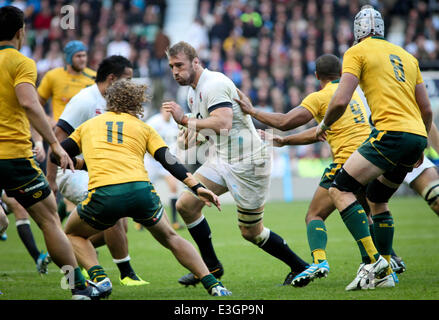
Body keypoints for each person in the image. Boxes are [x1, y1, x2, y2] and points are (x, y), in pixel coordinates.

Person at [50, 79, 232, 297]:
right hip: (141, 192)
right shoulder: (143, 127)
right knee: (171, 237)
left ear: (110, 100)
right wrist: (197, 186)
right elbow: (169, 160)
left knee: (71, 233)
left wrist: (79, 163)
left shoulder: (88, 126)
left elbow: (57, 154)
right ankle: (214, 285)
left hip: (105, 195)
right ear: (137, 103)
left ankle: (99, 278)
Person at [163, 41, 310, 287]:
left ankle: (300, 266)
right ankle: (212, 267)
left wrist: (186, 120)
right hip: (223, 158)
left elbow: (223, 123)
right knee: (186, 205)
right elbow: (208, 130)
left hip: (250, 162)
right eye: (171, 67)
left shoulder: (215, 84)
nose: (175, 71)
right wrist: (189, 135)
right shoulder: (192, 93)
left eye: (179, 65)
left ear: (196, 62)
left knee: (251, 232)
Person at [235, 53, 381, 287]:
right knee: (367, 214)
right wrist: (284, 142)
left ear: (316, 76)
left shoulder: (321, 97)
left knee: (314, 215)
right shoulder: (353, 95)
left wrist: (253, 112)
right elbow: (318, 133)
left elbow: (284, 121)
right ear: (342, 74)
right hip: (371, 159)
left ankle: (320, 261)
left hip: (346, 161)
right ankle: (380, 264)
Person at [315, 5, 432, 290]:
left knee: (339, 189)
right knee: (378, 198)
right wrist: (421, 144)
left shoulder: (356, 52)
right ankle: (387, 273)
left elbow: (341, 100)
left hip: (390, 133)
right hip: (416, 135)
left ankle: (374, 262)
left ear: (357, 32)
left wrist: (324, 125)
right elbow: (426, 109)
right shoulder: (407, 56)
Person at [0, 5, 104, 299]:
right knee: (49, 221)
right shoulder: (21, 62)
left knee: (2, 220)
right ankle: (79, 287)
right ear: (21, 32)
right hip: (13, 157)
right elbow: (30, 103)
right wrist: (54, 144)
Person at [49, 55, 148, 286]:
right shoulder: (85, 100)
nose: (130, 85)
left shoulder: (114, 103)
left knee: (119, 224)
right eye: (127, 79)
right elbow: (57, 139)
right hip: (74, 171)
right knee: (110, 212)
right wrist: (51, 179)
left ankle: (62, 249)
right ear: (112, 78)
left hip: (102, 172)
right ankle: (126, 274)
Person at [143, 106, 184, 231]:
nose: (168, 114)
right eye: (166, 111)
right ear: (161, 111)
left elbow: (177, 141)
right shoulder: (153, 122)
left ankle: (175, 221)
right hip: (152, 162)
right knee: (146, 190)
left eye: (170, 112)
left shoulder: (174, 124)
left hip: (166, 161)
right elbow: (144, 138)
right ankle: (142, 220)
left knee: (174, 187)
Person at [37, 40, 96, 125]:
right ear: (69, 58)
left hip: (85, 130)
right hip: (60, 131)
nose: (82, 59)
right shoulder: (53, 75)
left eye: (84, 55)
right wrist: (48, 120)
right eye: (78, 56)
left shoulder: (94, 77)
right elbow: (38, 102)